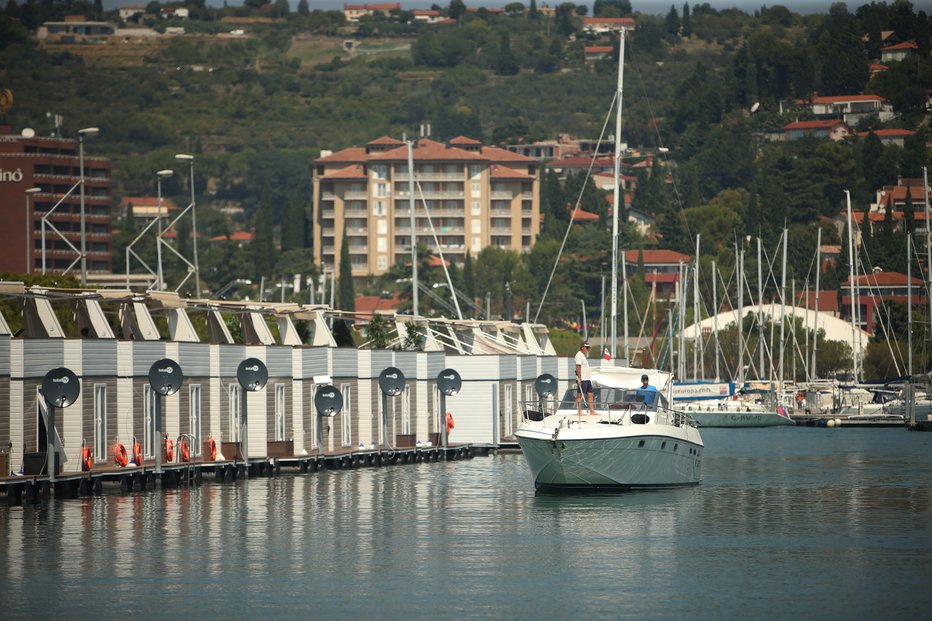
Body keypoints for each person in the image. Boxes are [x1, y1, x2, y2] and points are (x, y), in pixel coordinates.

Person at [575, 342, 597, 416]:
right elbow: (578, 367)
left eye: (588, 348)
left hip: (587, 379)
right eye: (587, 347)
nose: (588, 349)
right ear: (582, 347)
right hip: (583, 379)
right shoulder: (579, 355)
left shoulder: (583, 356)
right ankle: (579, 412)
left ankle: (592, 411)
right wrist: (579, 378)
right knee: (579, 395)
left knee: (590, 394)